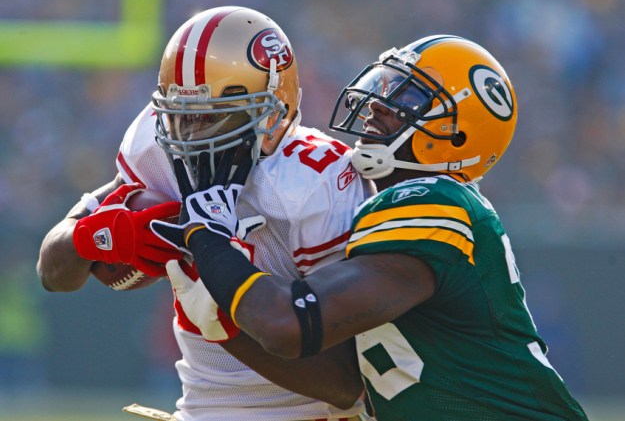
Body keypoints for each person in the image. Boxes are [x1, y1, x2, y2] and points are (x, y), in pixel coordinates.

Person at [154, 35, 590, 420]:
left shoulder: (435, 202)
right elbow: (343, 383)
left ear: (457, 134)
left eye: (410, 96)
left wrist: (209, 237)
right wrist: (224, 322)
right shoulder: (398, 210)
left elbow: (288, 323)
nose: (380, 103)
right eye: (386, 86)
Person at [37, 6, 372, 421]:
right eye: (182, 115)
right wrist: (94, 236)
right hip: (198, 410)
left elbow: (347, 384)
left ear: (273, 107)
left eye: (213, 116)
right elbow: (52, 273)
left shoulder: (316, 181)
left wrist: (226, 320)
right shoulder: (157, 146)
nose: (192, 134)